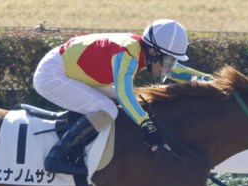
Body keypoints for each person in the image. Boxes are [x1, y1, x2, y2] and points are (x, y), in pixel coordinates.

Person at [33, 18, 213, 176]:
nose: (169, 67)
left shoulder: (143, 50)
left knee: (127, 102)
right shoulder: (127, 52)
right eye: (168, 60)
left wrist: (214, 81)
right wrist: (146, 124)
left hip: (71, 71)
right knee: (107, 109)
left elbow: (179, 72)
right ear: (152, 52)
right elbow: (123, 93)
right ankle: (59, 155)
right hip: (53, 75)